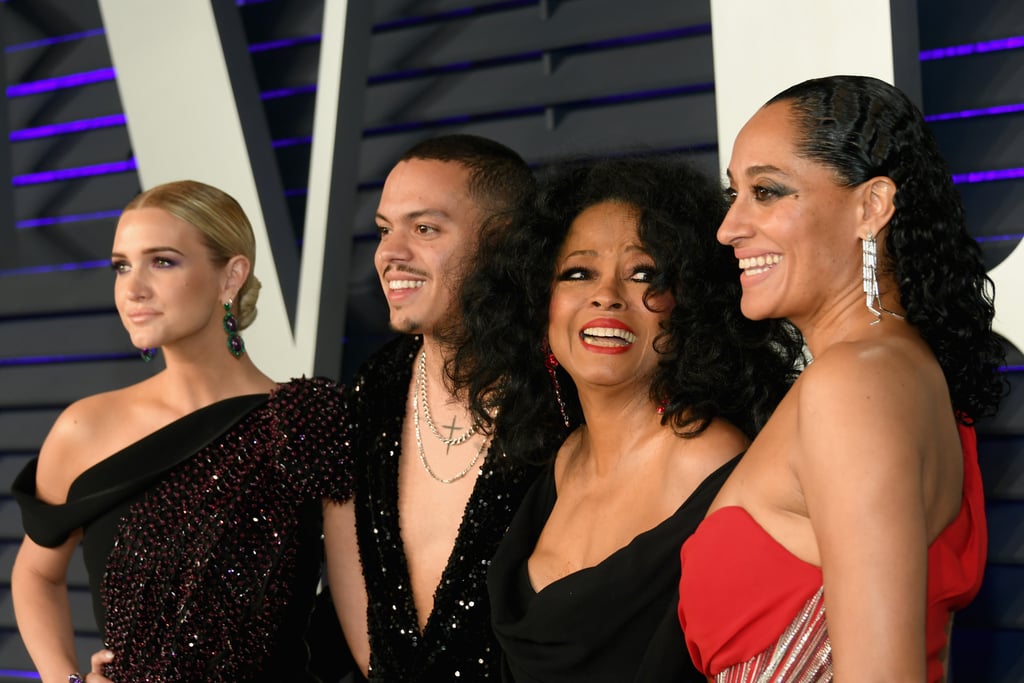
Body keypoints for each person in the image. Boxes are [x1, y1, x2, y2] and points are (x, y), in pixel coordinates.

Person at [677, 75, 1007, 682]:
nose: (729, 228)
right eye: (735, 193)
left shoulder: (853, 386)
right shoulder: (891, 371)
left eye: (767, 191)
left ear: (871, 206)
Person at [447, 154, 804, 681]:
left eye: (643, 274)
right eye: (577, 273)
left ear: (692, 305)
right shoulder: (560, 460)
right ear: (538, 305)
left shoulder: (714, 463)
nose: (606, 296)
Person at [11, 180, 352, 683]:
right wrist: (65, 679)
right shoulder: (84, 428)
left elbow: (362, 607)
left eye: (162, 261)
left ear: (230, 277)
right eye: (121, 265)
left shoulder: (309, 418)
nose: (133, 288)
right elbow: (36, 572)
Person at [323, 134, 541, 681]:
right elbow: (354, 575)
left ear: (503, 243)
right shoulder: (377, 384)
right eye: (383, 229)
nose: (389, 253)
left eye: (424, 229)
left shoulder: (560, 386)